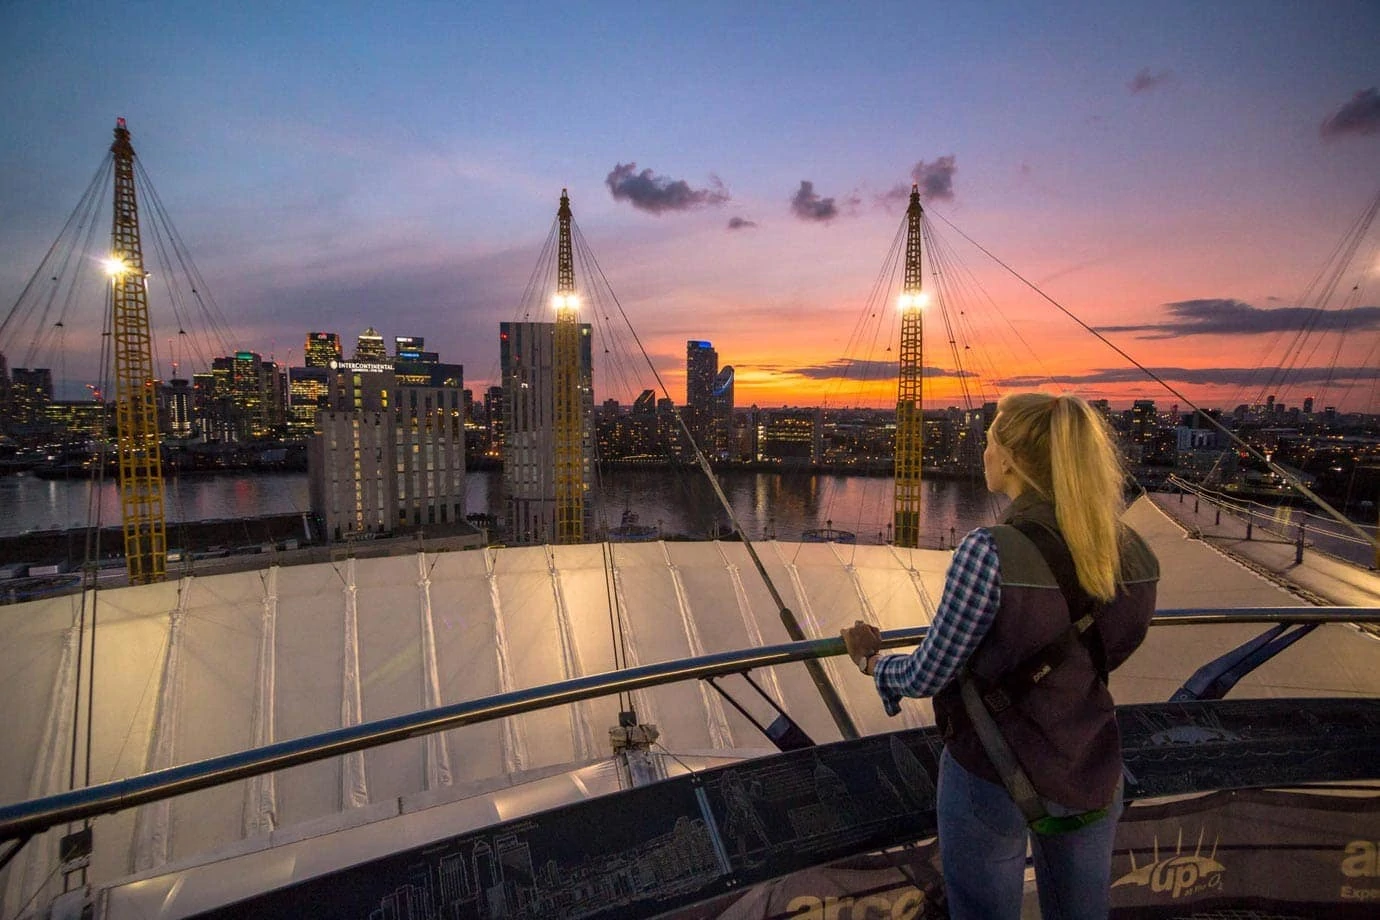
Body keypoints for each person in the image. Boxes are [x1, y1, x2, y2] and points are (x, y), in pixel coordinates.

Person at [842, 392, 1159, 920]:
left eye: (988, 441)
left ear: (1009, 458)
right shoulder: (1129, 550)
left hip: (991, 769)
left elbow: (928, 672)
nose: (983, 452)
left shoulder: (988, 551)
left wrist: (874, 663)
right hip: (1089, 758)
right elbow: (1116, 647)